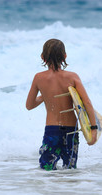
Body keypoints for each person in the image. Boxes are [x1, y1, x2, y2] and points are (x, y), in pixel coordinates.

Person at [26, 38, 97, 170]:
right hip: (71, 130)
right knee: (70, 169)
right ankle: (67, 190)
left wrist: (44, 96)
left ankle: (50, 190)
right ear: (65, 56)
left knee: (46, 169)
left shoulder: (39, 78)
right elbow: (86, 102)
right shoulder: (72, 77)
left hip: (52, 130)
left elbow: (29, 105)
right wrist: (93, 129)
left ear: (42, 57)